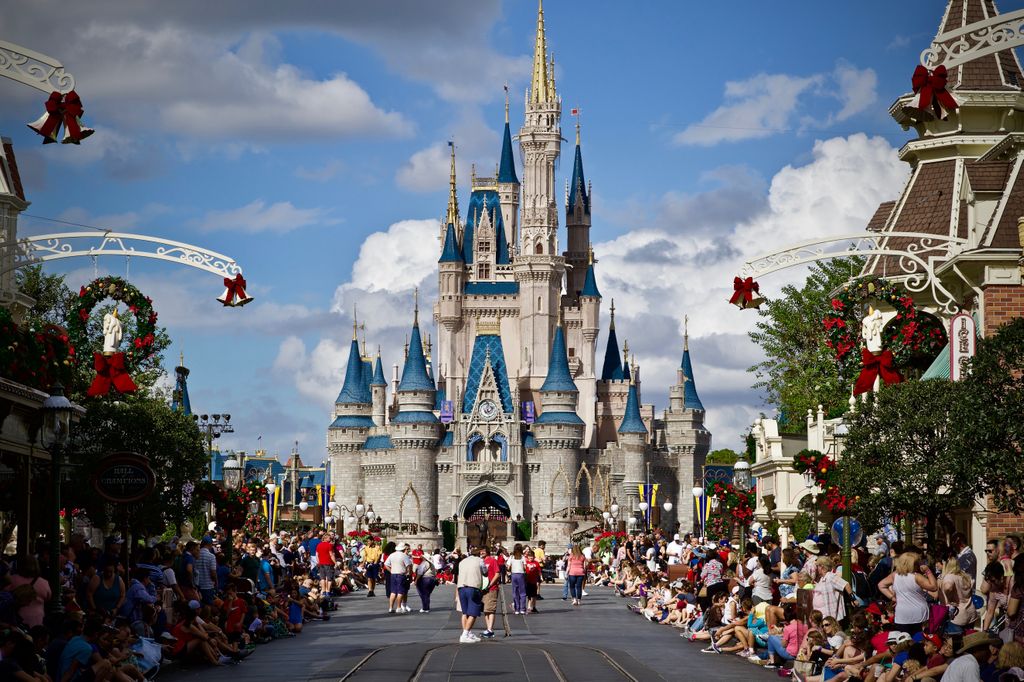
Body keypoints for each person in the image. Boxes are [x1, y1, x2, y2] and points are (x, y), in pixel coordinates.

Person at [878, 551, 936, 634]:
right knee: (919, 639)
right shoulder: (916, 576)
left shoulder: (895, 575)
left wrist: (892, 598)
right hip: (919, 613)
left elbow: (881, 585)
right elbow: (934, 587)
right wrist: (928, 571)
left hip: (902, 614)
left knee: (905, 640)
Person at [7, 555, 52, 628]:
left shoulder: (12, 580)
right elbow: (48, 597)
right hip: (37, 619)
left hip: (16, 619)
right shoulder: (43, 582)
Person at [455, 548, 486, 643]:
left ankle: (468, 633)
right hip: (473, 587)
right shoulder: (480, 561)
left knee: (465, 612)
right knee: (473, 612)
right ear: (479, 554)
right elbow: (485, 571)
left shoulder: (462, 561)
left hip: (461, 587)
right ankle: (465, 634)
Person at [386, 543, 412, 614]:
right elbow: (408, 566)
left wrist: (391, 570)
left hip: (393, 574)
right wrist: (408, 574)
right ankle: (398, 607)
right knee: (400, 591)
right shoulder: (404, 556)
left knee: (393, 592)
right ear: (403, 549)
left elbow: (386, 564)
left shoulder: (392, 555)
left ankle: (391, 608)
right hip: (401, 574)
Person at [480, 546, 500, 637]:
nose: (481, 552)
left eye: (483, 551)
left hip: (491, 588)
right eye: (480, 551)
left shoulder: (492, 560)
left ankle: (490, 629)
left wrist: (490, 584)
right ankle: (488, 629)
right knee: (486, 609)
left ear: (487, 552)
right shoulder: (481, 562)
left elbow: (497, 573)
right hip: (483, 588)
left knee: (491, 609)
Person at [509, 544, 527, 615]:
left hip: (514, 575)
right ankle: (522, 609)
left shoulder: (512, 557)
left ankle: (517, 609)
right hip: (521, 574)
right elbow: (525, 567)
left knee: (515, 592)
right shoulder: (522, 557)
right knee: (522, 592)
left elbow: (508, 566)